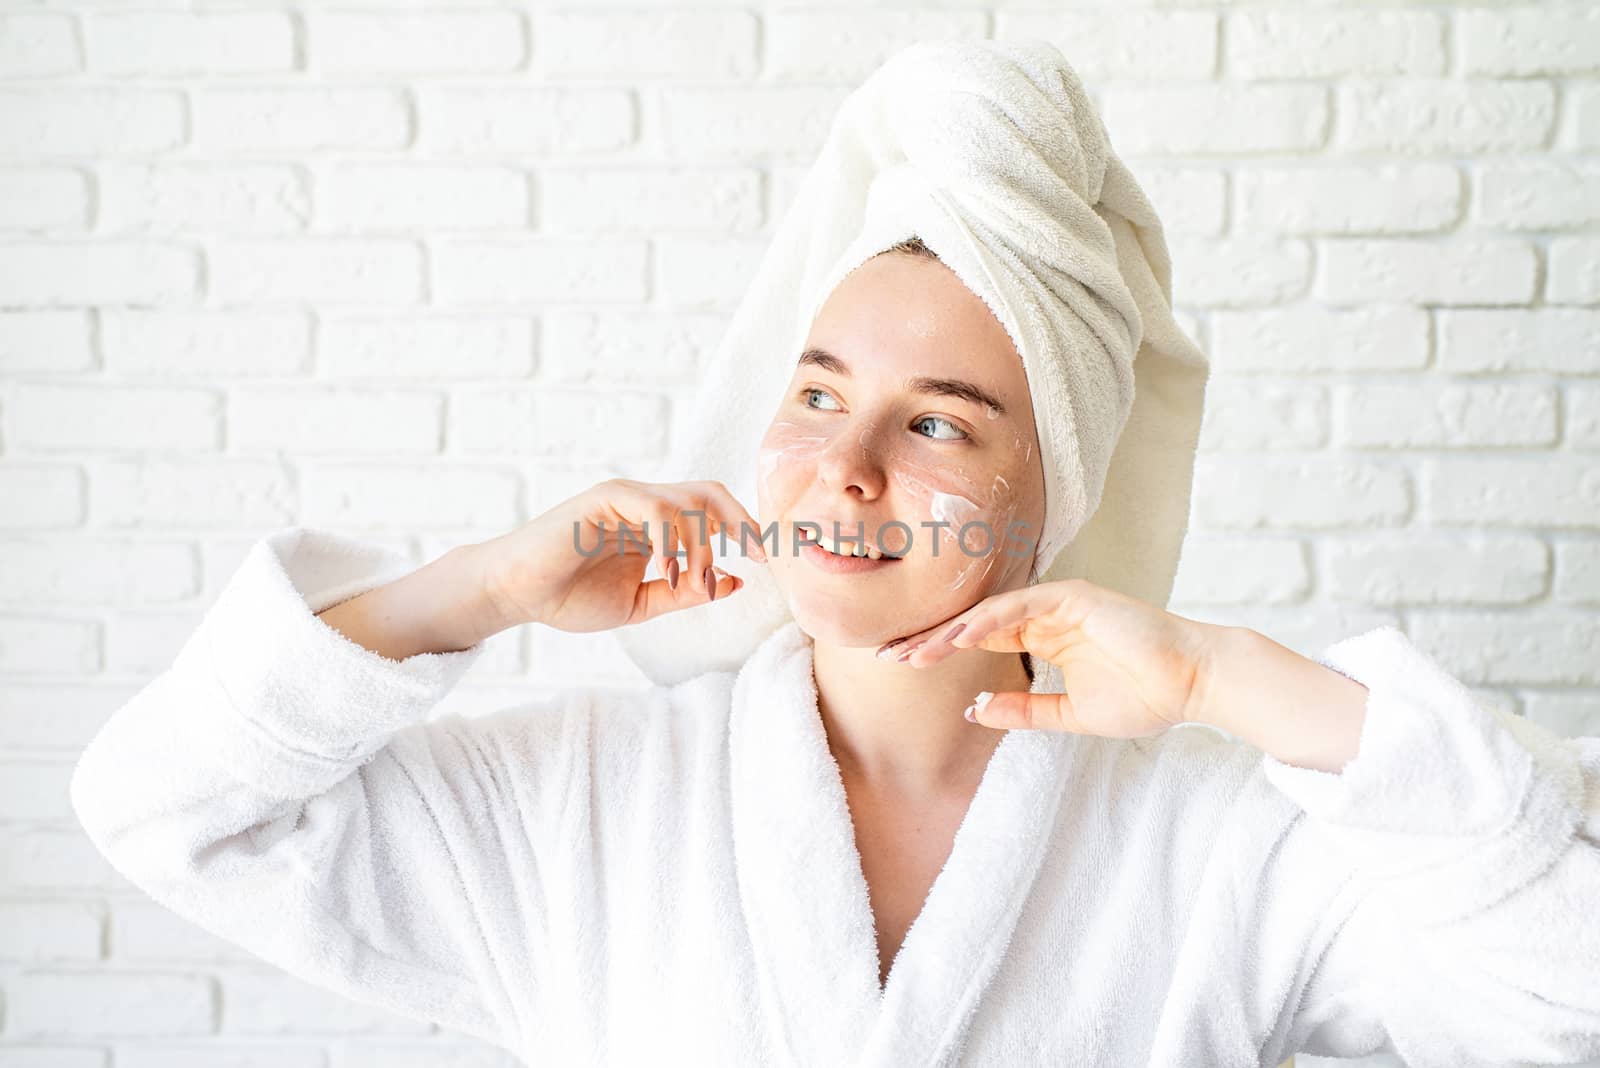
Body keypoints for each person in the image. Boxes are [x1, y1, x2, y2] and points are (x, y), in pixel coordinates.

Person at [70, 40, 1600, 1068]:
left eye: (940, 424)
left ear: (1050, 484)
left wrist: (1225, 677)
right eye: (815, 396)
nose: (843, 467)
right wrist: (481, 590)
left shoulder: (1222, 846)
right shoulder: (585, 800)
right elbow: (167, 812)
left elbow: (1568, 979)